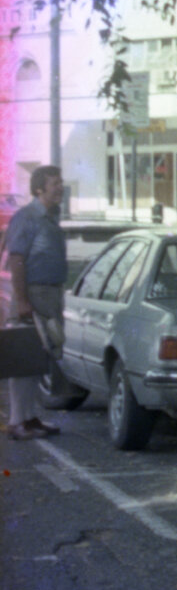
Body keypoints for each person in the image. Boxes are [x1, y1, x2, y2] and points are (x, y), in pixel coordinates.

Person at [2, 166, 68, 441]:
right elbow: (16, 259)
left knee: (37, 360)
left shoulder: (50, 217)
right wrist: (22, 301)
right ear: (39, 188)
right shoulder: (27, 217)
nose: (60, 187)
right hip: (33, 293)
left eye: (60, 182)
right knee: (24, 357)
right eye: (55, 183)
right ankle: (17, 421)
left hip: (49, 294)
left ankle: (29, 417)